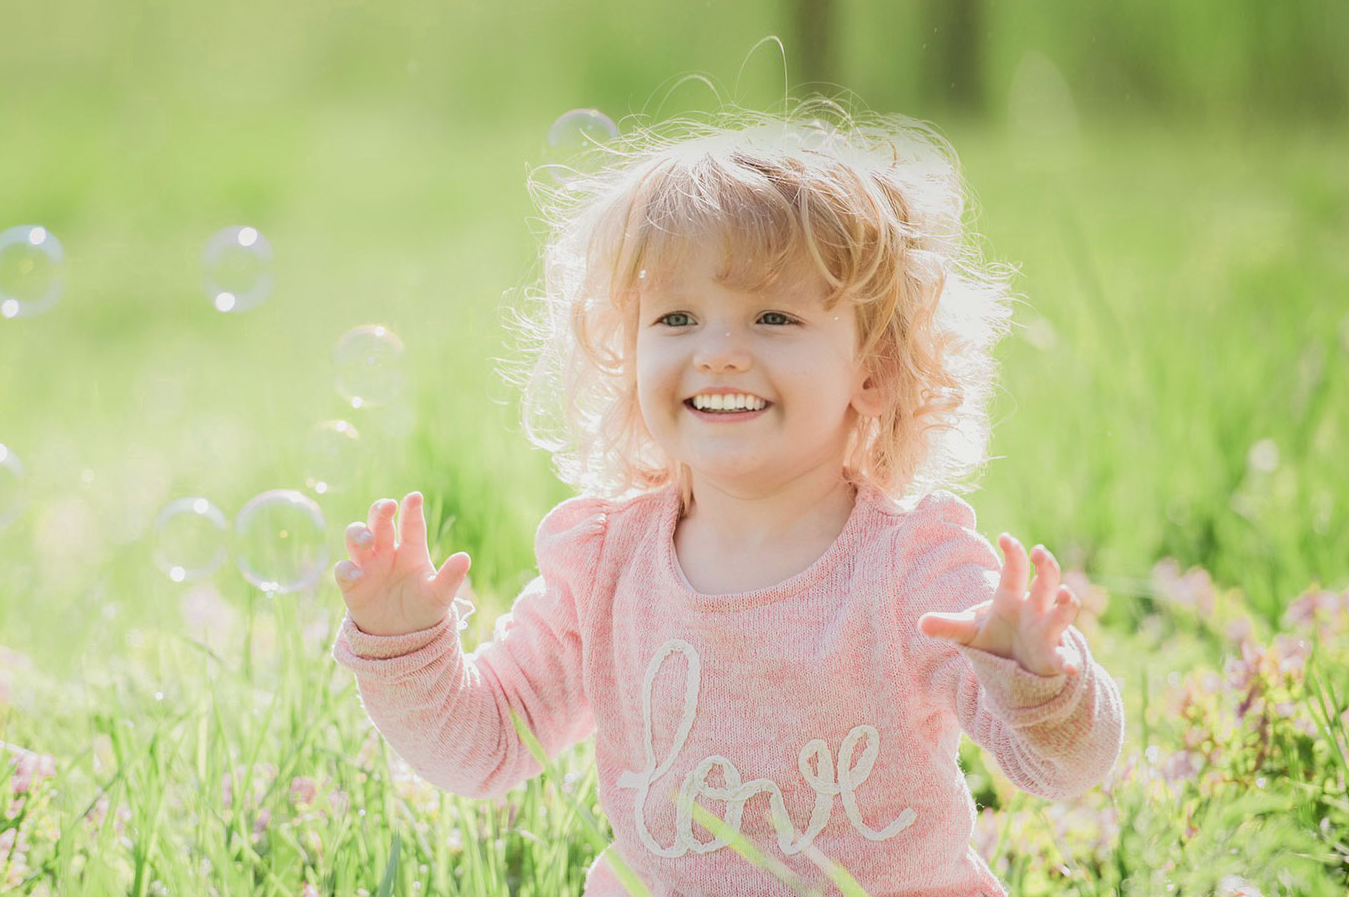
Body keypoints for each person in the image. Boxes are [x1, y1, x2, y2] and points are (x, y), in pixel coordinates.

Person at [328, 100, 1125, 896]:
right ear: (625, 350)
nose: (719, 354)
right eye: (676, 317)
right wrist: (406, 647)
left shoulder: (913, 569)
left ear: (873, 371)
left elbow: (1063, 768)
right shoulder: (607, 565)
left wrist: (1039, 683)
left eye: (773, 316)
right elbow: (488, 745)